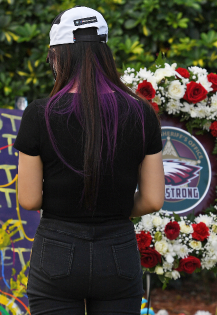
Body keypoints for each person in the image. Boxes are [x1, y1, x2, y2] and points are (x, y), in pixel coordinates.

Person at [13, 6, 165, 315]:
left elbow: (29, 200)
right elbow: (152, 199)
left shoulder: (39, 114)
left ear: (58, 56)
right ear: (105, 53)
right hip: (118, 253)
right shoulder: (142, 113)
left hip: (56, 251)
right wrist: (118, 207)